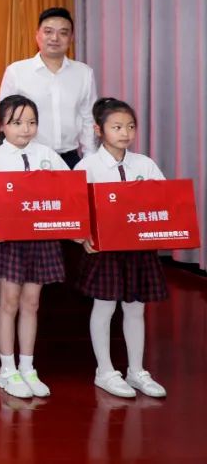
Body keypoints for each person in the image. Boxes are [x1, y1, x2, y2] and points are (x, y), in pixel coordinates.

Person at [0, 95, 70, 399]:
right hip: (7, 241)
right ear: (0, 125)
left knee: (31, 303)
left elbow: (69, 189)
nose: (25, 129)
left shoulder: (47, 154)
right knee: (9, 301)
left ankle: (28, 367)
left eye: (32, 122)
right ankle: (7, 369)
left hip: (41, 239)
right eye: (17, 122)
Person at [75, 98, 168, 399]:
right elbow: (74, 210)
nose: (125, 133)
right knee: (104, 307)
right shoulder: (87, 166)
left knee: (136, 308)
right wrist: (82, 238)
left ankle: (136, 371)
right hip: (105, 251)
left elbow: (163, 200)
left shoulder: (144, 164)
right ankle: (104, 371)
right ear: (98, 130)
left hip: (138, 250)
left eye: (130, 126)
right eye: (116, 127)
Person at [0, 7, 97, 169]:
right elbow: (4, 117)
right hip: (27, 157)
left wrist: (90, 159)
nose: (55, 38)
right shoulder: (16, 71)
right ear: (37, 34)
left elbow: (88, 119)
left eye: (63, 33)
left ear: (71, 38)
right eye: (48, 32)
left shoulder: (84, 73)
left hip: (70, 159)